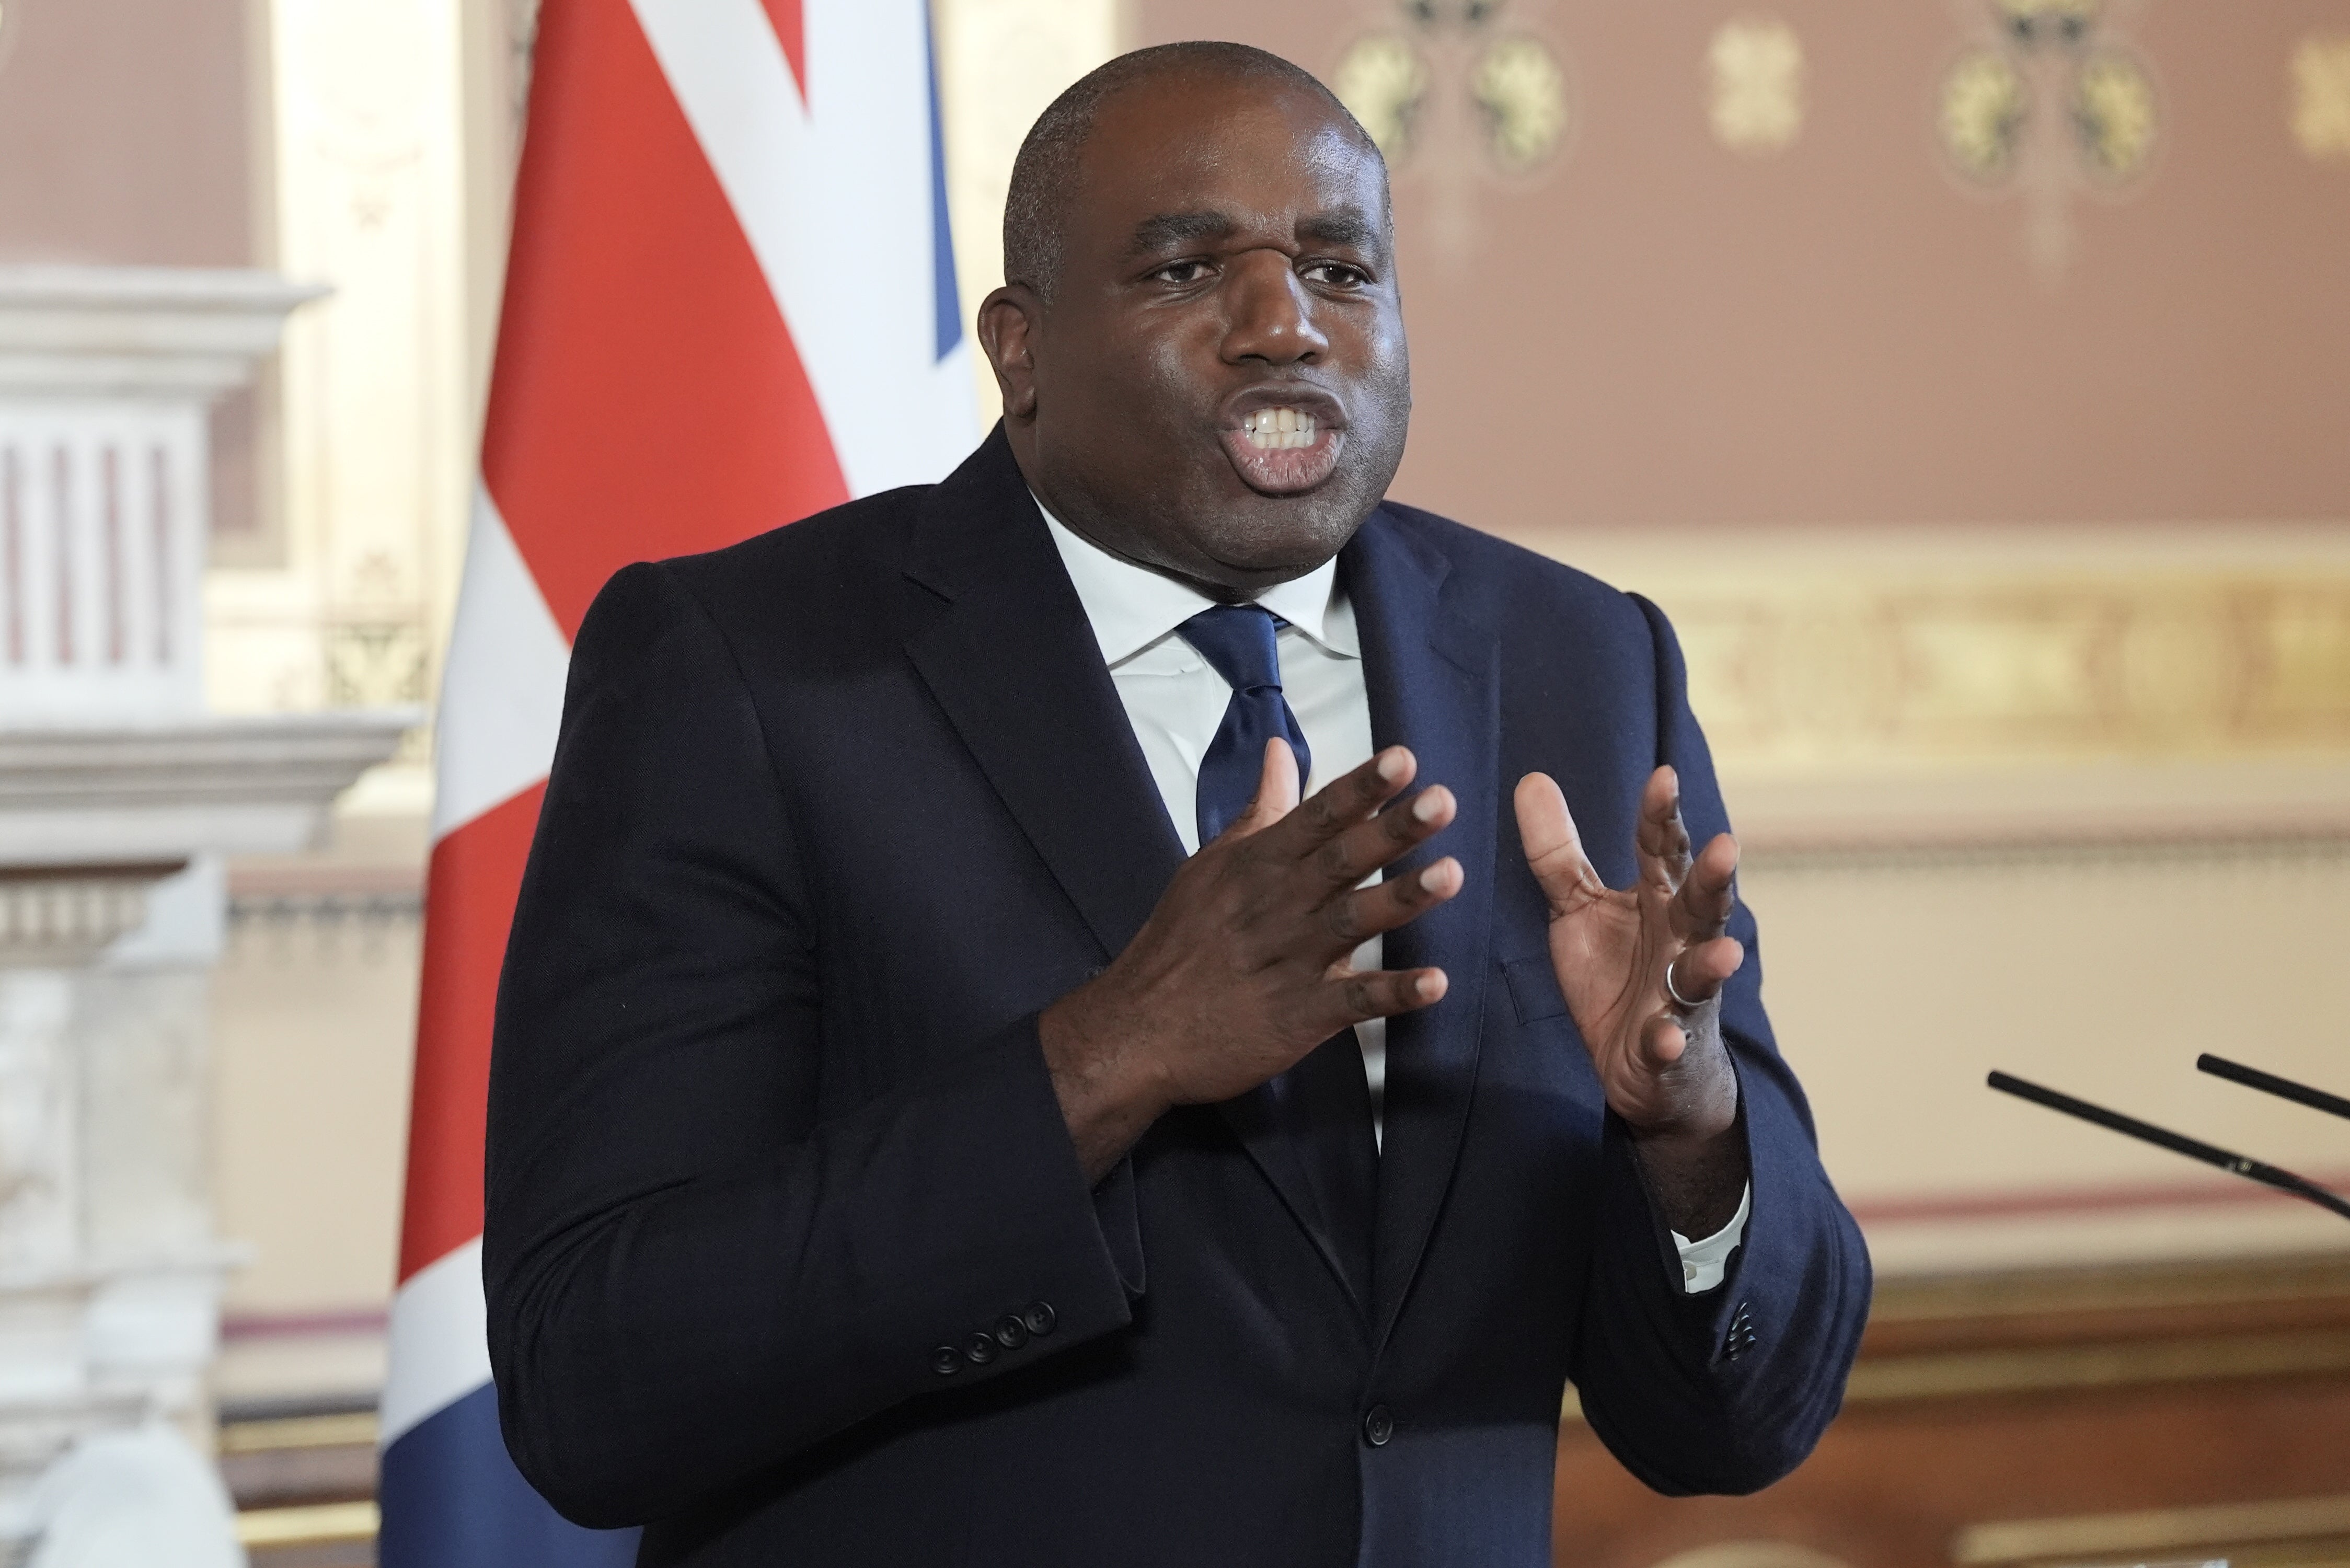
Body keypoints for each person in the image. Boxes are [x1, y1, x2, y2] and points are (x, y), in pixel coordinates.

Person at [484, 40, 1870, 1567]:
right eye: (1186, 267)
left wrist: (1686, 1130)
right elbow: (591, 1379)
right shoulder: (750, 673)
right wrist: (1110, 1054)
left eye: (1342, 268)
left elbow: (1743, 1424)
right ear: (1021, 350)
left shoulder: (1579, 662)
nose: (1285, 323)